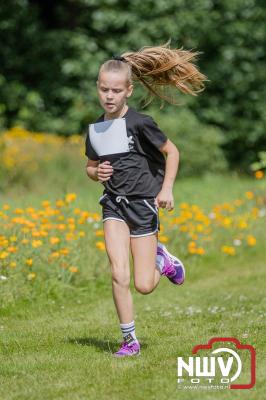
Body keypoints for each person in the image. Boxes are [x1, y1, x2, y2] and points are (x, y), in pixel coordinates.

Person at [85, 40, 207, 357]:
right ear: (98, 89)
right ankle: (130, 341)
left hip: (142, 207)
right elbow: (90, 166)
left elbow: (172, 152)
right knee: (117, 273)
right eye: (103, 90)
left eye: (115, 90)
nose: (108, 96)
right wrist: (95, 174)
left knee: (143, 284)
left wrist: (166, 190)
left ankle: (161, 261)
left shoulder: (141, 123)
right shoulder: (96, 128)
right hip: (113, 205)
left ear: (128, 90)